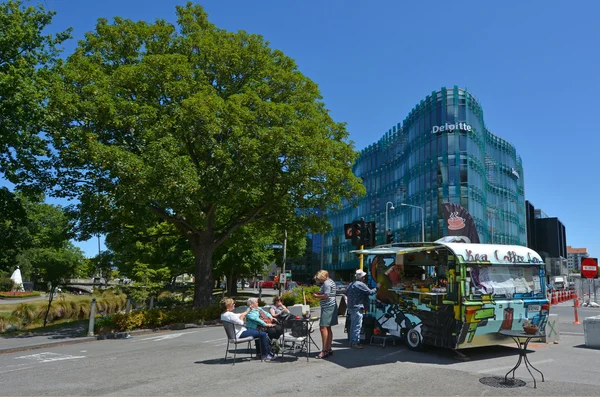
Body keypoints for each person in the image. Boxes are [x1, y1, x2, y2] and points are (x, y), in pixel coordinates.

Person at [346, 269, 380, 348]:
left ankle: (351, 341)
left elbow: (346, 292)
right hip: (357, 307)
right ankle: (355, 342)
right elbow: (371, 292)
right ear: (361, 277)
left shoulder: (352, 284)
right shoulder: (360, 284)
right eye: (364, 276)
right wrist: (377, 287)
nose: (364, 278)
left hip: (351, 306)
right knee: (357, 325)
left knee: (353, 325)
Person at [312, 270, 337, 359]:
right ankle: (328, 348)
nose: (319, 281)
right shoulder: (330, 282)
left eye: (320, 279)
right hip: (331, 306)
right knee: (328, 327)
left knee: (323, 327)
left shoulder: (326, 283)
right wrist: (320, 294)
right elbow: (328, 294)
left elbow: (326, 296)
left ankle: (324, 350)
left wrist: (316, 296)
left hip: (327, 307)